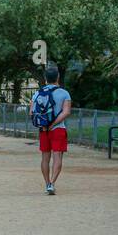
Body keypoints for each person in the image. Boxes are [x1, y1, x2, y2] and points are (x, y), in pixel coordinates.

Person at [30, 65, 72, 195]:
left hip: (43, 130)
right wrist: (53, 124)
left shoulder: (37, 93)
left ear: (45, 78)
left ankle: (46, 182)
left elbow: (31, 113)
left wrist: (45, 125)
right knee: (57, 156)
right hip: (58, 129)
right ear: (58, 76)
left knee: (45, 157)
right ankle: (52, 184)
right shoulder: (64, 93)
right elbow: (66, 112)